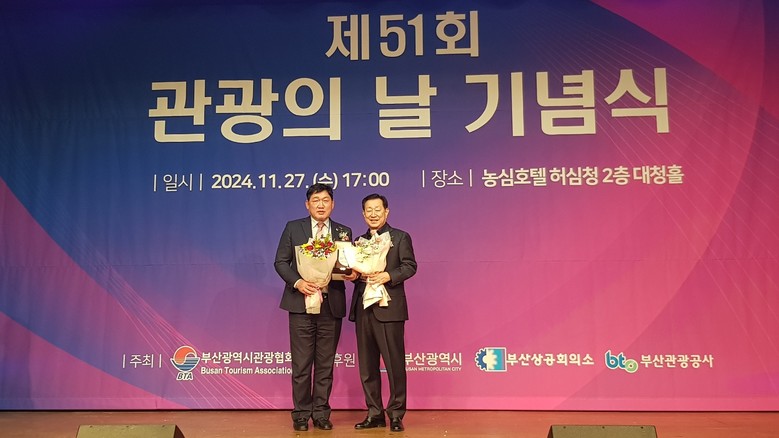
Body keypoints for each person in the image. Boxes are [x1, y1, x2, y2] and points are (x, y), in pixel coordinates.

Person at [274, 183, 353, 431]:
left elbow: (346, 265)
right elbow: (281, 262)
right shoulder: (293, 227)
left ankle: (321, 413)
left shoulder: (343, 231)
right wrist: (299, 282)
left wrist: (351, 273)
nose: (321, 205)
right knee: (301, 364)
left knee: (325, 365)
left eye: (325, 200)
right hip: (301, 304)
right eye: (316, 200)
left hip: (331, 305)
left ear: (333, 204)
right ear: (307, 204)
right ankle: (300, 414)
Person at [349, 193, 417, 432]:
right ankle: (374, 413)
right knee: (367, 366)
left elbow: (410, 266)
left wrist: (389, 275)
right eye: (368, 210)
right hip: (364, 307)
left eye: (377, 209)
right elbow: (355, 272)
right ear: (363, 214)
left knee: (394, 364)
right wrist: (353, 275)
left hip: (389, 308)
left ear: (386, 211)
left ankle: (396, 414)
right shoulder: (358, 241)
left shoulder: (399, 237)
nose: (373, 214)